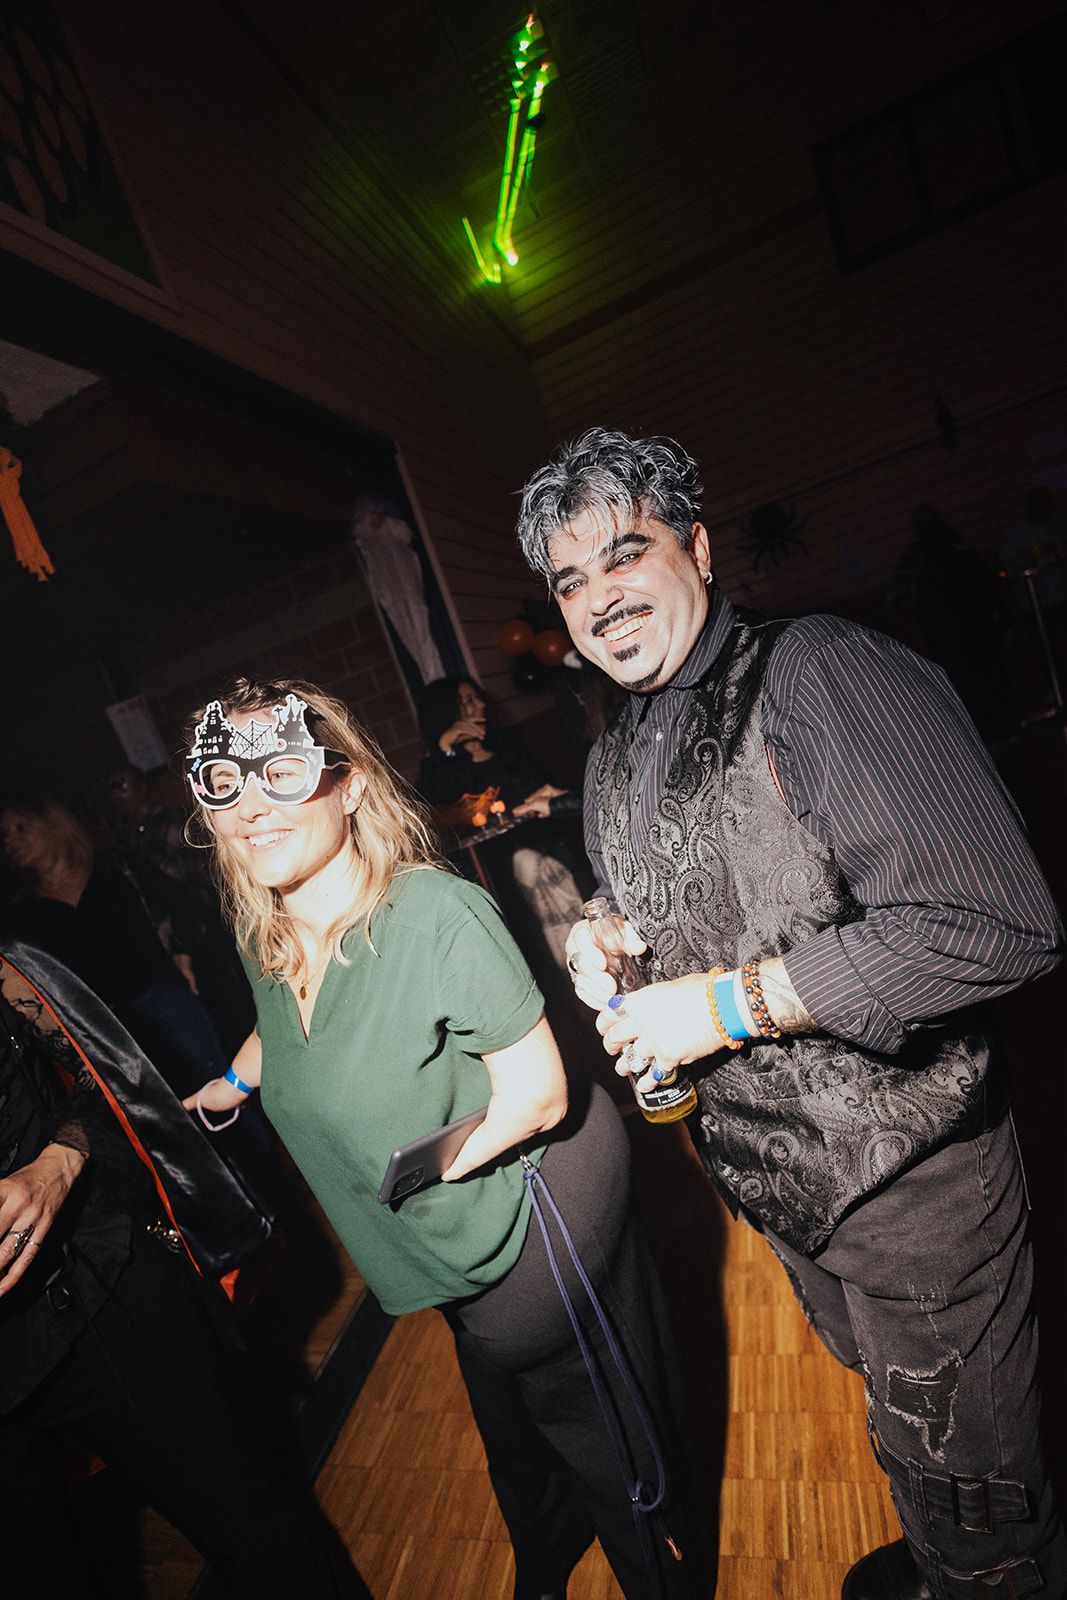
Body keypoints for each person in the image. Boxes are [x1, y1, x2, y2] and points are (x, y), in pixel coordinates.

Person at [515, 427, 1067, 1600]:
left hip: (912, 1188)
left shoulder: (820, 673)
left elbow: (995, 920)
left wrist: (724, 1005)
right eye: (569, 581)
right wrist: (603, 926)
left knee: (977, 1487)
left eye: (624, 555)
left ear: (698, 546)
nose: (598, 598)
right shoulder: (611, 756)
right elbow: (672, 884)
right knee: (905, 1428)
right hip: (779, 1188)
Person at [182, 677, 707, 1600]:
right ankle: (546, 1559)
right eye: (225, 782)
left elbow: (540, 1097)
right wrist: (233, 1081)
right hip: (440, 1246)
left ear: (349, 784)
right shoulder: (266, 926)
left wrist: (415, 1175)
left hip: (529, 1221)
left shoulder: (432, 915)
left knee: (610, 1448)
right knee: (512, 1423)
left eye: (282, 773)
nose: (251, 807)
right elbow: (284, 1016)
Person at [0, 936, 352, 1599]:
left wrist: (58, 1163)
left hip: (95, 1287)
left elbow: (113, 1074)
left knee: (249, 1524)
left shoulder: (7, 968)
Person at [0, 796, 286, 1226]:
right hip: (105, 1035)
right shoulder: (22, 913)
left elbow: (185, 904)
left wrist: (183, 954)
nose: (11, 841)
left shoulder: (116, 868)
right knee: (166, 1130)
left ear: (53, 822)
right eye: (4, 835)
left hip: (165, 1007)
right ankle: (224, 1224)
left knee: (224, 1105)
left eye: (20, 827)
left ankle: (274, 1207)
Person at [416, 674, 593, 976]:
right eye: (467, 701)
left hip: (546, 841)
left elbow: (542, 785)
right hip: (496, 863)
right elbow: (449, 808)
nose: (479, 705)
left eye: (477, 698)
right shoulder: (438, 765)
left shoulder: (506, 742)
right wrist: (446, 749)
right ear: (447, 713)